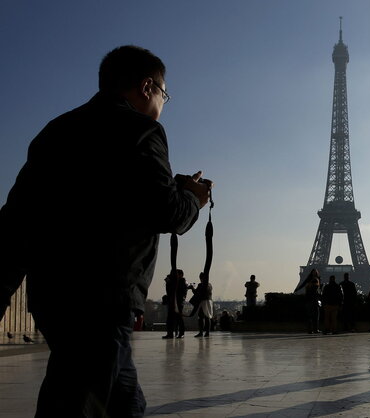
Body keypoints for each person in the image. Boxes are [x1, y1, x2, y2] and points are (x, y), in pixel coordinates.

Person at [0, 45, 211, 417]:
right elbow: (167, 213)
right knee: (75, 403)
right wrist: (193, 198)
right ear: (147, 87)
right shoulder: (142, 130)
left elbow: (17, 218)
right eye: (165, 94)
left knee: (122, 402)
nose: (164, 103)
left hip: (53, 295)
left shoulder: (55, 131)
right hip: (104, 297)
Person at [190, 272, 213, 338]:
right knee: (207, 317)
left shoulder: (201, 285)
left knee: (201, 317)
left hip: (203, 301)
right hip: (209, 301)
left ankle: (201, 332)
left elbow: (196, 293)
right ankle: (207, 333)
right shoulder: (210, 285)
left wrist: (192, 288)